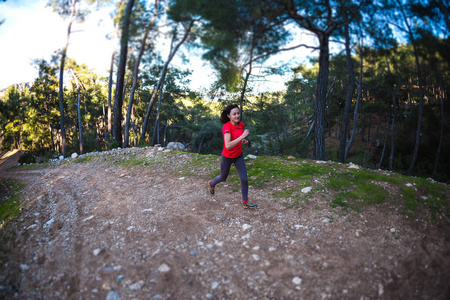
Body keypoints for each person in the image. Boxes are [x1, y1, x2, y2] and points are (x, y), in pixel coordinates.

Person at [209, 104, 257, 209]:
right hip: (227, 157)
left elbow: (237, 138)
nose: (237, 116)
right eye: (234, 114)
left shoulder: (241, 125)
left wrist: (243, 140)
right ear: (228, 116)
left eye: (238, 113)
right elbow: (228, 145)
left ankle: (245, 202)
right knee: (223, 177)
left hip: (238, 156)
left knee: (244, 179)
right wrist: (243, 136)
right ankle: (212, 184)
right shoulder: (227, 127)